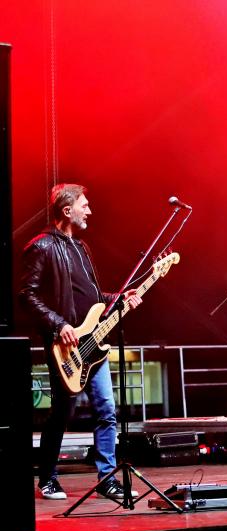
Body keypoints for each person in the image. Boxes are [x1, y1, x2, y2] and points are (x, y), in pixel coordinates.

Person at [20, 184, 142, 500]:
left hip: (94, 343)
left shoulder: (82, 248)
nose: (89, 211)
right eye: (84, 205)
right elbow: (27, 295)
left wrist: (119, 299)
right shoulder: (42, 246)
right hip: (65, 347)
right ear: (67, 209)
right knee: (63, 412)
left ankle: (107, 479)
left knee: (107, 410)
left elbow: (93, 298)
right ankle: (47, 478)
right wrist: (58, 324)